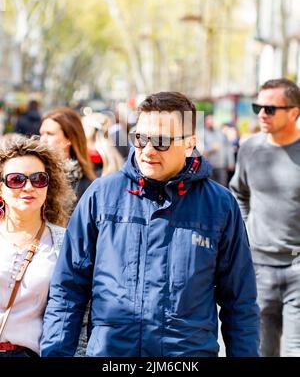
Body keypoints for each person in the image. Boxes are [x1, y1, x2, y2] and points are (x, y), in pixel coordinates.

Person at [40, 91, 259, 357]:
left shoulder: (220, 205)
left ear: (189, 144)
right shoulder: (101, 196)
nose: (148, 150)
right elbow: (67, 290)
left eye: (162, 142)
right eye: (140, 139)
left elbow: (240, 302)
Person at [230, 78, 300, 357]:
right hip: (259, 268)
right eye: (257, 106)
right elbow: (238, 194)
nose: (261, 114)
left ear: (294, 112)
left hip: (298, 267)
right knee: (260, 350)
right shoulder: (249, 149)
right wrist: (247, 233)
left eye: (270, 108)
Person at [0, 135, 75, 357]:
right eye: (16, 180)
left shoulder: (64, 240)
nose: (28, 186)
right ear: (1, 188)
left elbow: (76, 312)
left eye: (38, 179)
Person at [39, 107, 96, 202]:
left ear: (69, 137)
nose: (42, 140)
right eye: (41, 134)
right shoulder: (36, 175)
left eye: (50, 134)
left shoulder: (87, 184)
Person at [203, 115, 235, 187]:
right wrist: (211, 148)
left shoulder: (221, 133)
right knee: (210, 187)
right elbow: (199, 149)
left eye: (212, 121)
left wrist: (231, 162)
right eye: (208, 121)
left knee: (222, 186)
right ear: (205, 123)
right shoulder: (202, 133)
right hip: (209, 165)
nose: (210, 123)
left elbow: (228, 147)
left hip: (221, 165)